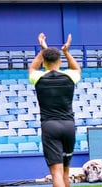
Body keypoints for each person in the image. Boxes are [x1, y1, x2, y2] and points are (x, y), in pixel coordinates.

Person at [29, 33, 82, 187]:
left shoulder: (38, 78)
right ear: (60, 61)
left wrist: (42, 49)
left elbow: (32, 67)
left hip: (50, 126)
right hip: (68, 126)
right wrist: (66, 51)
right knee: (66, 171)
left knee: (56, 172)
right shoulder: (70, 76)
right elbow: (77, 68)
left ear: (44, 62)